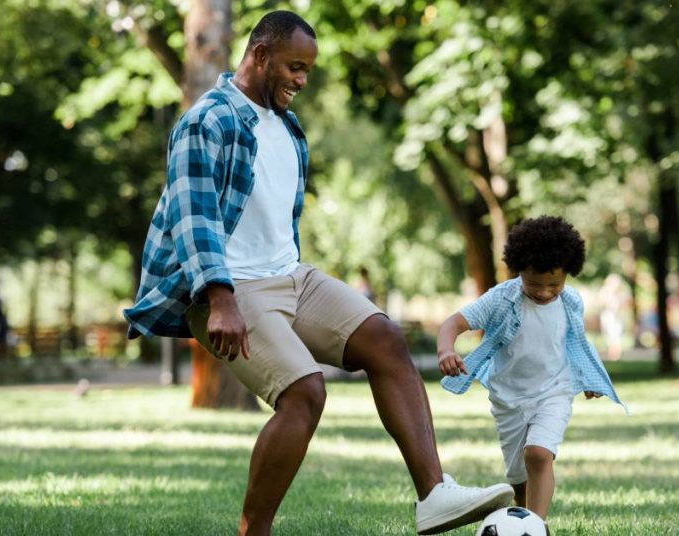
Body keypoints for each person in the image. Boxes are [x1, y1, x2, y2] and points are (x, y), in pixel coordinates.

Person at [122, 11, 512, 536]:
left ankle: (434, 496)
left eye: (307, 70)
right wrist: (220, 299)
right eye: (294, 67)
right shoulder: (206, 121)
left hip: (291, 277)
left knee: (384, 339)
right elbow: (195, 220)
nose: (302, 81)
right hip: (232, 289)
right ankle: (252, 532)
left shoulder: (285, 125)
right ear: (260, 55)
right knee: (305, 393)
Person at [436, 215, 628, 519]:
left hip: (554, 391)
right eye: (534, 283)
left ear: (568, 273)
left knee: (538, 455)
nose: (545, 292)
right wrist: (446, 348)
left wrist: (588, 377)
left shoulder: (571, 301)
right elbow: (453, 323)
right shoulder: (501, 299)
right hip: (508, 399)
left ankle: (537, 527)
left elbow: (576, 342)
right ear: (519, 269)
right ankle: (521, 520)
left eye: (555, 283)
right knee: (519, 480)